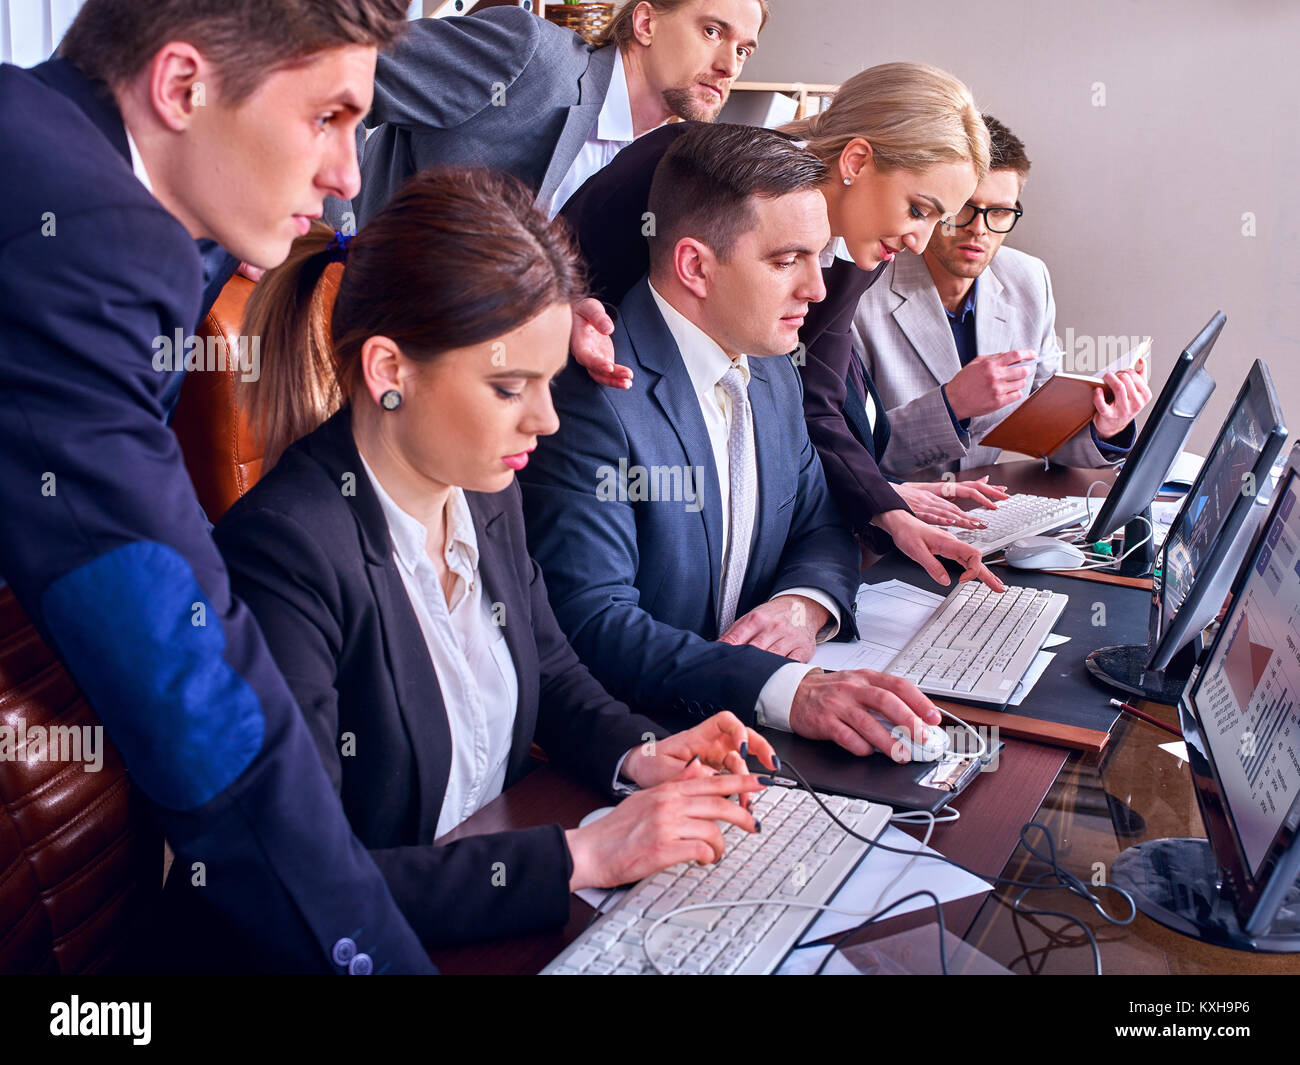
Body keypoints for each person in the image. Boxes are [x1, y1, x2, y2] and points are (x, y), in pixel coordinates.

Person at [191, 167, 772, 949]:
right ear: (389, 372)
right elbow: (300, 880)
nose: (546, 420)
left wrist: (642, 755)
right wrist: (585, 852)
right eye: (509, 388)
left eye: (549, 384)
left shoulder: (484, 489)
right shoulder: (284, 554)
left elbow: (554, 673)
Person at [0, 0, 440, 973]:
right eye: (327, 117)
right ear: (183, 87)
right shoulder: (91, 231)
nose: (347, 174)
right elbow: (188, 677)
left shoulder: (52, 145)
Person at [522, 125, 949, 760]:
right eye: (786, 262)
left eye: (814, 256)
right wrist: (789, 689)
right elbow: (593, 627)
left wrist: (804, 605)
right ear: (695, 265)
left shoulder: (772, 365)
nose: (817, 289)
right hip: (635, 750)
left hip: (750, 734)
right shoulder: (595, 399)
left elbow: (821, 521)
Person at [559, 64, 1012, 576]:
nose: (919, 242)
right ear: (857, 160)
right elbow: (540, 268)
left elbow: (814, 396)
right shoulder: (695, 168)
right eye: (917, 210)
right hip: (584, 443)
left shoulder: (856, 250)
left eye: (936, 220)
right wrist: (559, 308)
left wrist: (883, 506)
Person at [853, 115, 1151, 482]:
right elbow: (849, 451)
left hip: (985, 511)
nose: (979, 229)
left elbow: (1044, 429)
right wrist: (952, 404)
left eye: (999, 212)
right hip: (890, 515)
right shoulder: (861, 294)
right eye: (964, 207)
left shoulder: (1028, 279)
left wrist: (1106, 427)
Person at [348, 0, 767, 226]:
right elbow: (341, 68)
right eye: (713, 31)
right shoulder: (530, 55)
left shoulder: (664, 163)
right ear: (645, 23)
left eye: (744, 51)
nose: (730, 66)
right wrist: (328, 253)